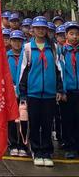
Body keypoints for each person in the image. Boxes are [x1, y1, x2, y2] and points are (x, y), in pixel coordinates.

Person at [18, 16, 65, 167]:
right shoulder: (27, 48)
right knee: (35, 123)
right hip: (33, 93)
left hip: (50, 94)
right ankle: (36, 151)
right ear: (32, 30)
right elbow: (22, 72)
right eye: (37, 27)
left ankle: (46, 151)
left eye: (43, 28)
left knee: (47, 124)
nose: (40, 30)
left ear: (46, 30)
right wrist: (23, 93)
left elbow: (59, 70)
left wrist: (59, 89)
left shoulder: (54, 48)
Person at [6, 30, 28, 157]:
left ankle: (23, 144)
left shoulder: (26, 55)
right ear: (10, 41)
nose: (17, 43)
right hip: (10, 92)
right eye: (14, 40)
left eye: (19, 41)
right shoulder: (6, 56)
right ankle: (13, 143)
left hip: (24, 91)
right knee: (12, 119)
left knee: (24, 118)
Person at [61, 21, 79, 159]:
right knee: (68, 120)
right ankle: (69, 147)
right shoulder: (61, 51)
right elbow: (60, 72)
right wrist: (63, 90)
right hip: (68, 92)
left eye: (77, 34)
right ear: (66, 35)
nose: (75, 37)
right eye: (72, 34)